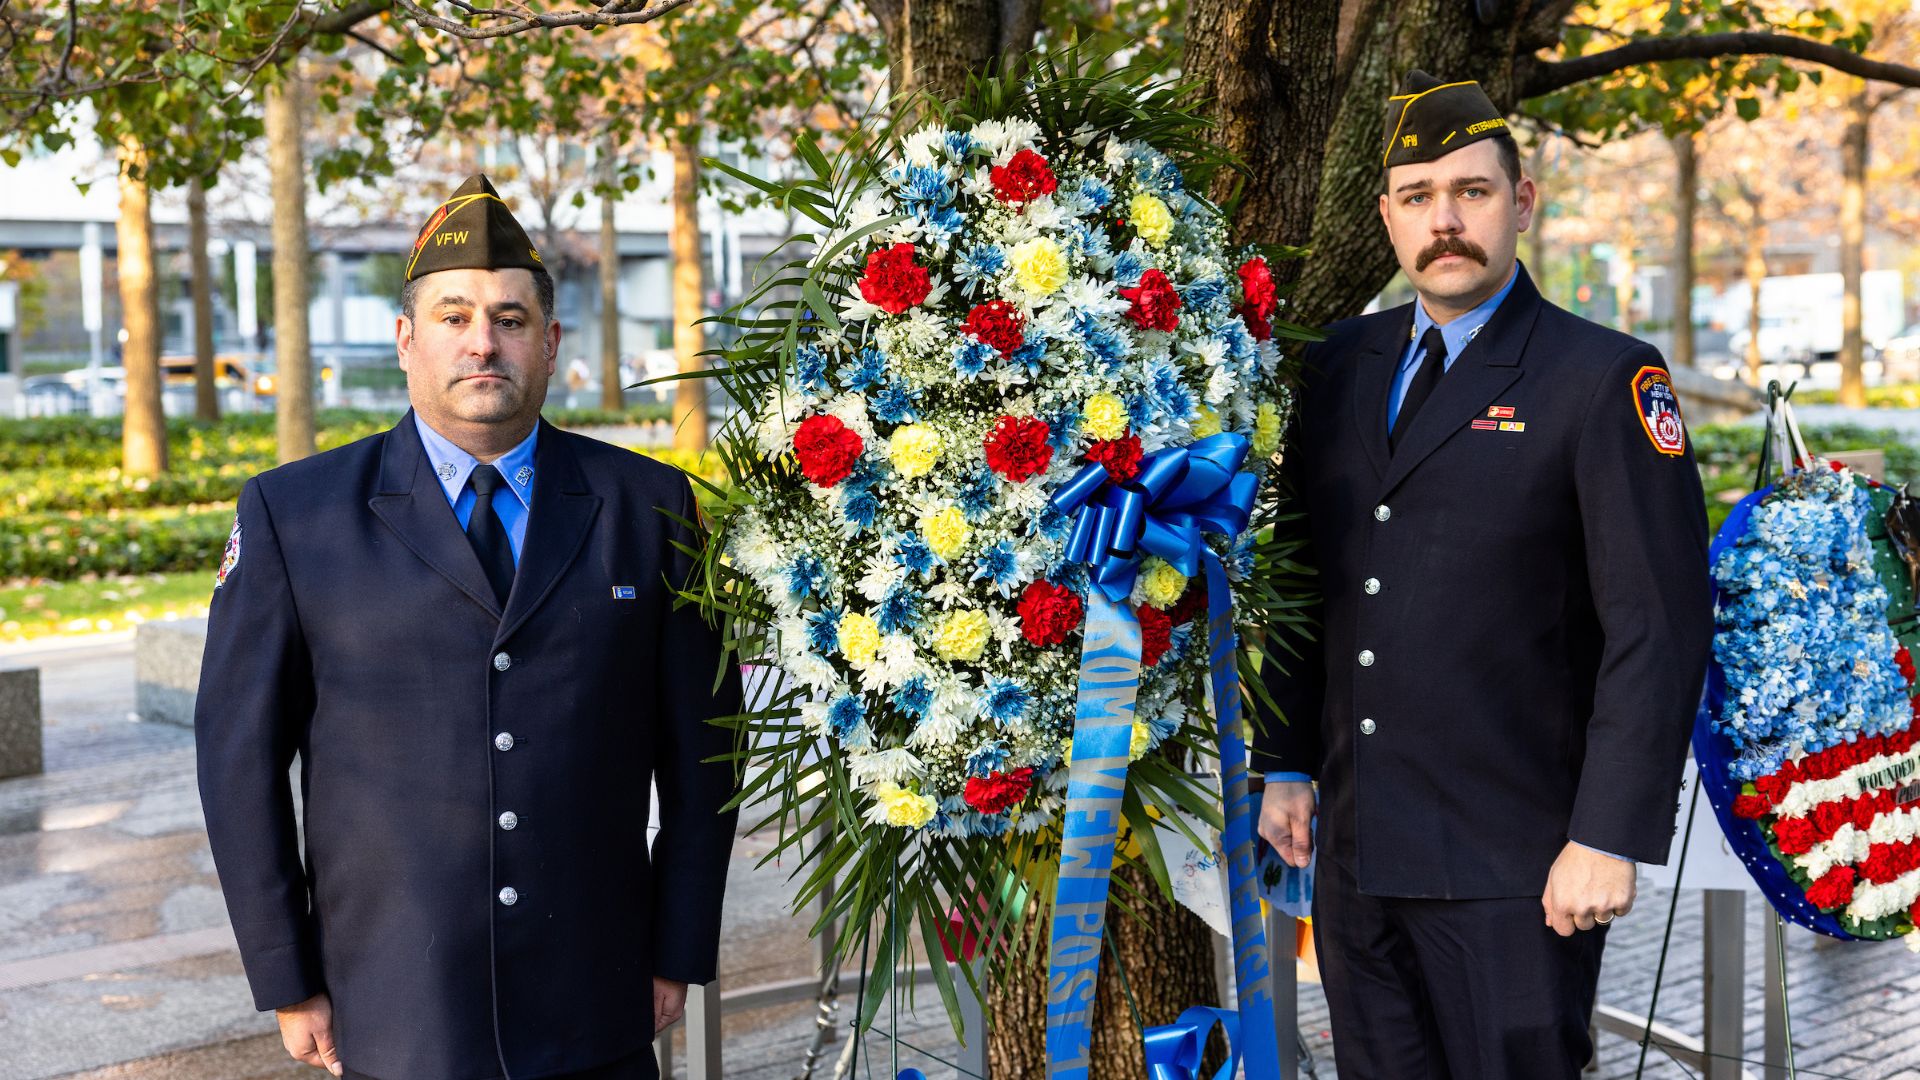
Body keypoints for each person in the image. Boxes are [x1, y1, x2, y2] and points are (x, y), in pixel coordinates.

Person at [195, 174, 741, 1080]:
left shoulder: (648, 507)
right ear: (406, 339)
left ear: (552, 342)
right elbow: (237, 759)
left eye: (511, 319)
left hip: (597, 999)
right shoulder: (300, 516)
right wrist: (289, 977)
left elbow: (705, 750)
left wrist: (677, 947)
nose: (483, 342)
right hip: (395, 1003)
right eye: (453, 316)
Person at [1251, 72, 1712, 1078]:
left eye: (1472, 192)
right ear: (1386, 216)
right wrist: (1283, 761)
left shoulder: (1602, 378)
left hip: (1521, 865)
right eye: (1417, 198)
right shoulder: (1338, 366)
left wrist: (1607, 834)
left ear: (1524, 201)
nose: (1444, 221)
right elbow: (1306, 581)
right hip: (1360, 852)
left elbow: (1658, 624)